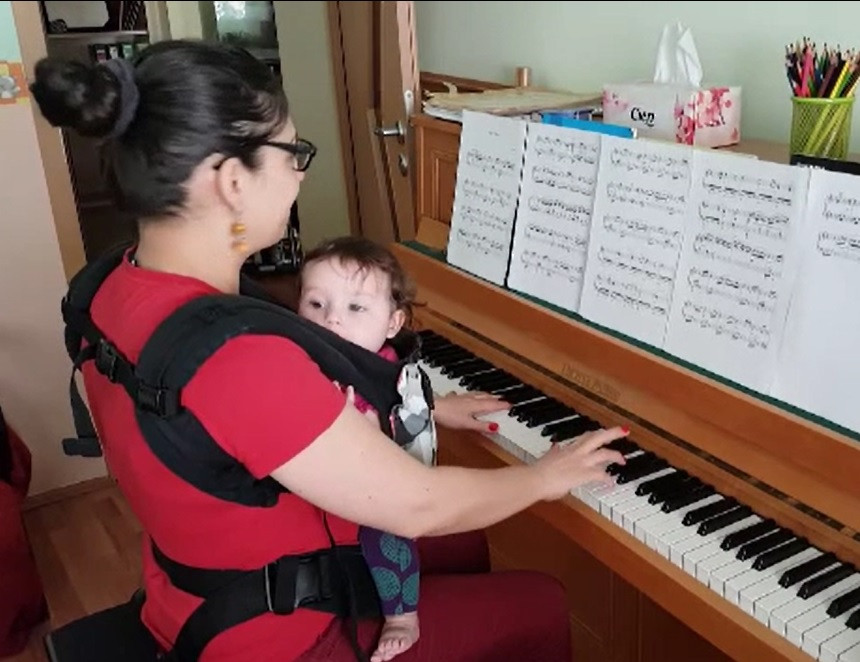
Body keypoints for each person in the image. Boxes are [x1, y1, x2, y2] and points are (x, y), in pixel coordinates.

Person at [28, 39, 628, 662]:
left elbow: (244, 431)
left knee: (466, 546)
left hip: (193, 588)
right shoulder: (236, 357)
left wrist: (423, 405)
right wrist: (543, 477)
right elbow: (417, 506)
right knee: (540, 603)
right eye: (293, 154)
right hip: (280, 635)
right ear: (232, 182)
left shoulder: (111, 284)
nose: (301, 174)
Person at [298, 235, 488, 662]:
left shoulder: (385, 362)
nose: (332, 320)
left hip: (398, 479)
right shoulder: (306, 370)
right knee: (385, 535)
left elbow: (403, 396)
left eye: (356, 308)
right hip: (346, 502)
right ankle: (402, 615)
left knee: (403, 528)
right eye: (315, 304)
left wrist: (436, 408)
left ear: (392, 323)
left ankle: (409, 606)